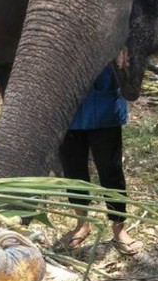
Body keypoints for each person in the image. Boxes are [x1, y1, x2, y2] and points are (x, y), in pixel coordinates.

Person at [58, 65, 142, 255]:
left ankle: (119, 228)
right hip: (67, 106)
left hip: (104, 105)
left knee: (110, 170)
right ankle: (82, 224)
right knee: (73, 170)